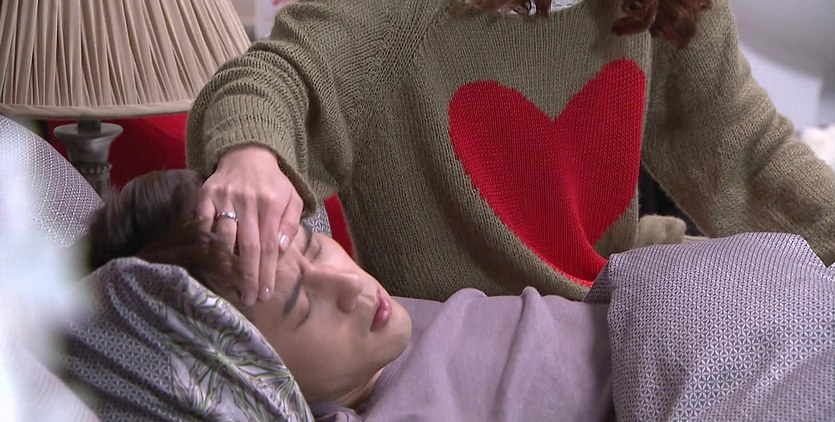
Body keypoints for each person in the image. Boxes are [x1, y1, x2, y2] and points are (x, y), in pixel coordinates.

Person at [186, 0, 835, 307]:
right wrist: (251, 154)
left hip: (626, 293)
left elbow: (748, 152)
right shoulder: (397, 14)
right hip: (477, 337)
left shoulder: (663, 6)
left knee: (792, 309)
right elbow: (275, 77)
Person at [83, 169, 616, 422]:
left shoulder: (378, 345)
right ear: (263, 370)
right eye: (302, 306)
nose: (350, 286)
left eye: (314, 248)